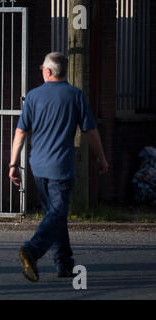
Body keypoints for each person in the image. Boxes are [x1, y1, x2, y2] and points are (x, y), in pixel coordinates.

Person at [9, 52, 109, 282]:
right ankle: (32, 250)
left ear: (48, 71)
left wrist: (13, 164)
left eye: (41, 67)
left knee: (55, 215)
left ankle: (64, 263)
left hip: (38, 167)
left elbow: (20, 132)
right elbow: (90, 131)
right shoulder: (75, 96)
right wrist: (101, 157)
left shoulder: (33, 97)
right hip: (61, 168)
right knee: (57, 214)